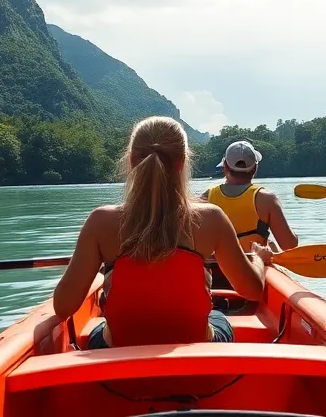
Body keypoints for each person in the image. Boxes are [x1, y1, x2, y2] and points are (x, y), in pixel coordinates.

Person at [52, 116, 272, 349]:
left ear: (131, 161)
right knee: (217, 316)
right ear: (182, 162)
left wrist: (95, 271)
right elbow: (252, 291)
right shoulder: (211, 219)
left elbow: (63, 307)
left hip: (120, 358)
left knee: (99, 328)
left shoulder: (100, 221)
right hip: (196, 353)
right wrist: (259, 259)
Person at [203, 140, 299, 253]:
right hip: (254, 266)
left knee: (271, 244)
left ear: (225, 166)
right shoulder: (267, 199)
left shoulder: (206, 197)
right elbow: (289, 246)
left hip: (217, 267)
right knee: (272, 245)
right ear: (255, 168)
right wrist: (292, 230)